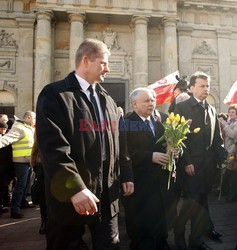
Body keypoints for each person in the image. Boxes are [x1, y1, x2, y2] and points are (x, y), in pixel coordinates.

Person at [36, 38, 134, 250]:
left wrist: (126, 174)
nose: (108, 69)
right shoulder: (55, 95)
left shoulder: (107, 99)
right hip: (70, 197)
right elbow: (53, 147)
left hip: (107, 195)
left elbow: (118, 143)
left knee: (110, 245)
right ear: (86, 60)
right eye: (104, 63)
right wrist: (75, 188)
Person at [174, 72, 226, 250]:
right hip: (190, 168)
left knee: (202, 205)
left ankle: (196, 241)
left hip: (208, 168)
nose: (206, 89)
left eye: (208, 86)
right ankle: (178, 232)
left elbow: (217, 139)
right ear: (191, 88)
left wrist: (222, 159)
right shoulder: (181, 108)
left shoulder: (212, 109)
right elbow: (177, 139)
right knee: (191, 205)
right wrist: (186, 161)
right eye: (202, 86)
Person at [122, 87, 175, 250]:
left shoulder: (159, 123)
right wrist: (149, 156)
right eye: (147, 100)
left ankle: (161, 242)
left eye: (153, 100)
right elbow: (123, 151)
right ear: (134, 104)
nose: (151, 103)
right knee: (140, 224)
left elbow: (164, 145)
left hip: (159, 183)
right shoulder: (126, 122)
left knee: (160, 217)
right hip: (138, 182)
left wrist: (172, 150)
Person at [0, 111, 36, 219]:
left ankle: (23, 202)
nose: (35, 120)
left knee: (25, 185)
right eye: (34, 118)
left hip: (28, 161)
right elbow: (7, 139)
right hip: (21, 162)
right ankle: (15, 209)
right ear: (29, 117)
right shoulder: (19, 127)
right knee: (20, 185)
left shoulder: (29, 127)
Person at [219, 105, 237, 202]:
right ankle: (227, 193)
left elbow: (233, 135)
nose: (230, 114)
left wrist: (225, 125)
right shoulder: (230, 122)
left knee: (232, 174)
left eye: (233, 112)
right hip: (228, 151)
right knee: (228, 172)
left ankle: (232, 196)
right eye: (229, 112)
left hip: (233, 152)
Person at [0, 121, 13, 216]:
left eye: (4, 129)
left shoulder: (6, 138)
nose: (3, 130)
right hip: (2, 167)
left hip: (5, 167)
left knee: (3, 186)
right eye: (2, 128)